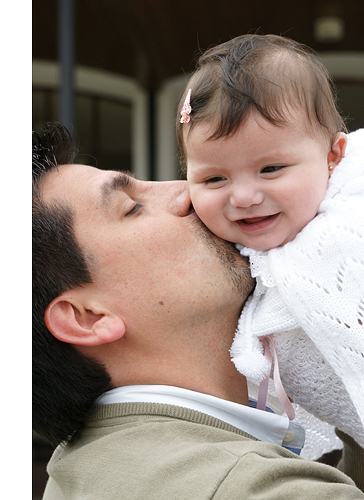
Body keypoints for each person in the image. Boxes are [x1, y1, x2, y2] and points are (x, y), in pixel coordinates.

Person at [32, 121, 364, 499]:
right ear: (87, 317)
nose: (188, 192)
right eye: (133, 208)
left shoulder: (88, 469)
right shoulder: (251, 489)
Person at [180, 34, 364, 451]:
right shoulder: (214, 258)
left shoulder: (350, 227)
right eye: (214, 179)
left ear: (333, 155)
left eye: (271, 168)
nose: (243, 197)